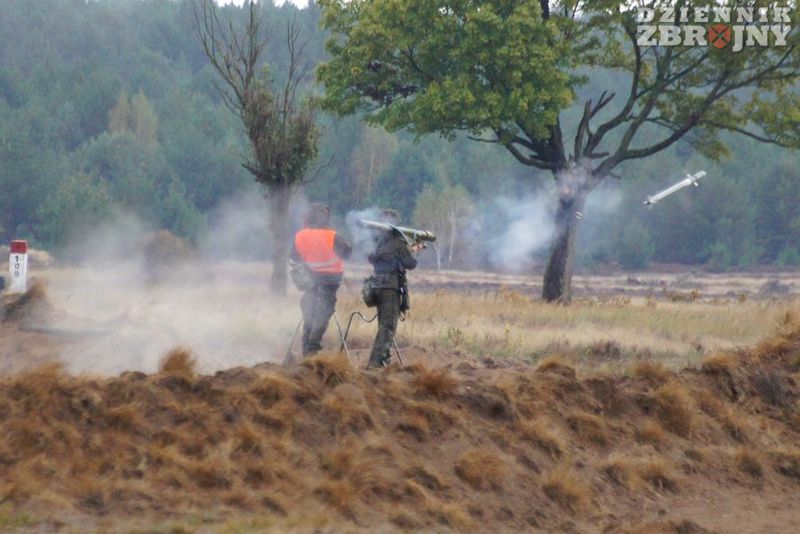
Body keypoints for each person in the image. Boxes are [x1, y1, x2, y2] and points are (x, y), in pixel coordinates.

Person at [292, 203, 352, 356]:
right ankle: (313, 346)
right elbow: (347, 253)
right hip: (330, 281)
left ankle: (306, 350)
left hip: (310, 282)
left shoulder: (300, 236)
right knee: (324, 312)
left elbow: (293, 258)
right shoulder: (333, 236)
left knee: (309, 313)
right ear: (325, 218)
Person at [367, 209, 420, 368]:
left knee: (383, 325)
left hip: (377, 287)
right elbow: (410, 264)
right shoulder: (397, 244)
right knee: (388, 327)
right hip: (390, 289)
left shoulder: (378, 243)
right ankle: (375, 365)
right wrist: (414, 250)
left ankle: (384, 361)